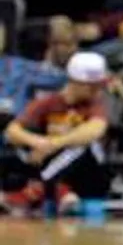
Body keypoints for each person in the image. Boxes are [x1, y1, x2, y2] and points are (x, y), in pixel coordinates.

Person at [2, 52, 111, 214]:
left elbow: (95, 129)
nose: (98, 91)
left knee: (81, 145)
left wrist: (54, 144)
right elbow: (12, 130)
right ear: (75, 82)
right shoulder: (48, 102)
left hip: (90, 171)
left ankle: (34, 190)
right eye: (93, 86)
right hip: (55, 166)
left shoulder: (95, 104)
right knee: (17, 144)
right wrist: (36, 142)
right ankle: (59, 192)